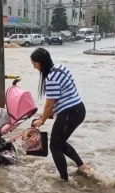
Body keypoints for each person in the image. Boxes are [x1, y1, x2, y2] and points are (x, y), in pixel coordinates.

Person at [30, 48, 91, 181]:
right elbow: (63, 95)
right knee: (60, 143)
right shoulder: (60, 68)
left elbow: (49, 105)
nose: (35, 68)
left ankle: (64, 181)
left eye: (35, 64)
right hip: (79, 109)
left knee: (54, 146)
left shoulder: (51, 78)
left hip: (69, 113)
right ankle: (82, 166)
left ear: (42, 62)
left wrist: (41, 121)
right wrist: (48, 114)